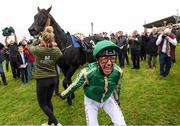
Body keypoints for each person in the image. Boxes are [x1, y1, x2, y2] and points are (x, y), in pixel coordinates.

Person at [60, 40, 126, 126]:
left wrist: (117, 99)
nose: (109, 63)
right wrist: (64, 94)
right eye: (105, 58)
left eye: (113, 58)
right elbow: (76, 84)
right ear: (97, 60)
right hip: (91, 101)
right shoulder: (88, 72)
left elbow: (117, 86)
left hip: (107, 99)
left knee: (121, 124)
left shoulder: (118, 72)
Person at [29, 26, 63, 126]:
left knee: (42, 104)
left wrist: (37, 40)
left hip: (42, 80)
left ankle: (56, 123)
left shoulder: (38, 50)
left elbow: (30, 47)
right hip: (53, 78)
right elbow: (60, 54)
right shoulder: (56, 50)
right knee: (48, 101)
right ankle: (50, 123)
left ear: (43, 40)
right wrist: (51, 45)